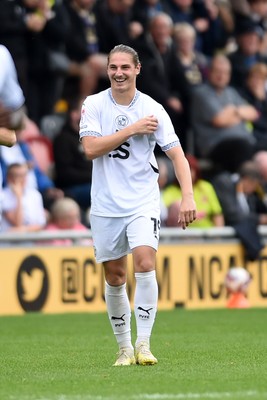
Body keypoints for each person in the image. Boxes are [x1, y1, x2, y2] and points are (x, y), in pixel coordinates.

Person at [80, 44, 196, 366]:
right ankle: (124, 348)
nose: (119, 73)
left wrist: (187, 195)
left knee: (145, 262)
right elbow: (90, 148)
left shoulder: (154, 109)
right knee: (115, 276)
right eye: (113, 67)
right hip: (105, 204)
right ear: (107, 70)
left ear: (137, 70)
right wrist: (130, 128)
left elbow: (177, 156)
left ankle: (143, 344)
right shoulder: (93, 104)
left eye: (125, 67)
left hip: (142, 200)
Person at [190, 54, 259, 172]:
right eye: (218, 71)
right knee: (242, 147)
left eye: (225, 72)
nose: (221, 76)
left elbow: (254, 113)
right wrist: (240, 114)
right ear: (209, 71)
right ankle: (240, 184)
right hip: (216, 145)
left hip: (244, 143)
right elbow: (219, 120)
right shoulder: (201, 93)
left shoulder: (231, 92)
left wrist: (234, 110)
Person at [163, 154, 225, 228]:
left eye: (191, 170)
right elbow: (168, 217)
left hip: (207, 235)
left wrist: (218, 236)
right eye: (184, 170)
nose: (187, 174)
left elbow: (217, 213)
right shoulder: (170, 191)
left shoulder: (206, 187)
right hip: (182, 236)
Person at [1, 163, 47, 232]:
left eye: (24, 175)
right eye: (18, 175)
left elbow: (40, 224)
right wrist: (19, 197)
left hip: (32, 240)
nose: (22, 179)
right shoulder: (3, 196)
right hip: (9, 242)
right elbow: (17, 223)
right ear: (9, 178)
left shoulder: (35, 195)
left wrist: (24, 229)